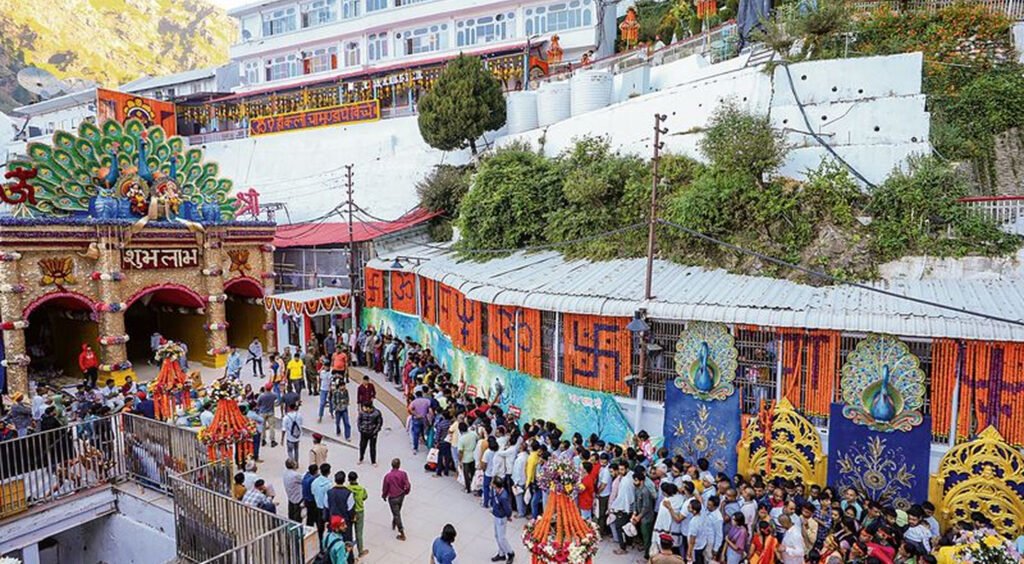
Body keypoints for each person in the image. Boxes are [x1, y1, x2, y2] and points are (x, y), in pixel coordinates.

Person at [382, 458, 411, 541]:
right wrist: (406, 492)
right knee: (398, 511)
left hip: (393, 497)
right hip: (401, 495)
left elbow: (385, 487)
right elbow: (408, 485)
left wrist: (384, 495)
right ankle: (394, 522)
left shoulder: (388, 476)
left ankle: (402, 533)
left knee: (396, 514)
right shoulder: (403, 474)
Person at [491, 476, 515, 563]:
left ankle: (510, 553)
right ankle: (501, 553)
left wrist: (509, 516)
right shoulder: (495, 491)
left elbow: (507, 508)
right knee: (497, 536)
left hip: (501, 518)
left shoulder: (503, 496)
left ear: (496, 485)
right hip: (496, 515)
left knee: (501, 538)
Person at [326, 471, 355, 543]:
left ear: (335, 480)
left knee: (333, 542)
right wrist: (352, 519)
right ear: (344, 480)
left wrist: (327, 519)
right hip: (344, 523)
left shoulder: (329, 493)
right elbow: (350, 510)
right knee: (346, 543)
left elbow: (326, 508)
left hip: (333, 523)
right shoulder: (349, 493)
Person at [345, 471, 369, 558]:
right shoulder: (361, 489)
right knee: (359, 532)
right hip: (359, 511)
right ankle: (360, 550)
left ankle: (348, 550)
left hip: (349, 512)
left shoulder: (347, 489)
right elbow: (365, 497)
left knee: (348, 531)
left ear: (348, 479)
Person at [311, 463, 333, 541]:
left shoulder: (314, 482)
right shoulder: (329, 484)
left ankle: (321, 542)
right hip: (326, 508)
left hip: (317, 507)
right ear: (329, 472)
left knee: (320, 527)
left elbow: (313, 492)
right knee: (330, 526)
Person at [358, 401, 383, 466]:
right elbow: (359, 420)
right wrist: (360, 429)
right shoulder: (362, 412)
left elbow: (379, 423)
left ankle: (373, 461)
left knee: (372, 447)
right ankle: (361, 458)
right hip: (364, 432)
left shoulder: (377, 413)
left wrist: (375, 431)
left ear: (368, 408)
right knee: (362, 446)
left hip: (372, 433)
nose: (363, 408)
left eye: (364, 407)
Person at [457, 422, 477, 493]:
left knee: (466, 474)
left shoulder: (461, 439)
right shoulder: (473, 434)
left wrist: (459, 460)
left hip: (465, 458)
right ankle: (474, 486)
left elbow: (460, 452)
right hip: (473, 456)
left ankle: (468, 488)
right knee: (473, 472)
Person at [282, 458, 304, 523]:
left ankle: (291, 524)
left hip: (290, 495)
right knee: (297, 516)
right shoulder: (295, 475)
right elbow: (303, 479)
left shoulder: (285, 473)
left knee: (291, 513)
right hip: (297, 497)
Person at [331, 375, 351, 440]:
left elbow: (347, 398)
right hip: (338, 409)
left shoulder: (346, 391)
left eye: (344, 385)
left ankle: (347, 436)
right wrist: (335, 407)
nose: (343, 387)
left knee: (347, 423)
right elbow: (333, 400)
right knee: (337, 422)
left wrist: (346, 404)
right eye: (342, 386)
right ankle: (338, 431)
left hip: (344, 409)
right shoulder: (335, 392)